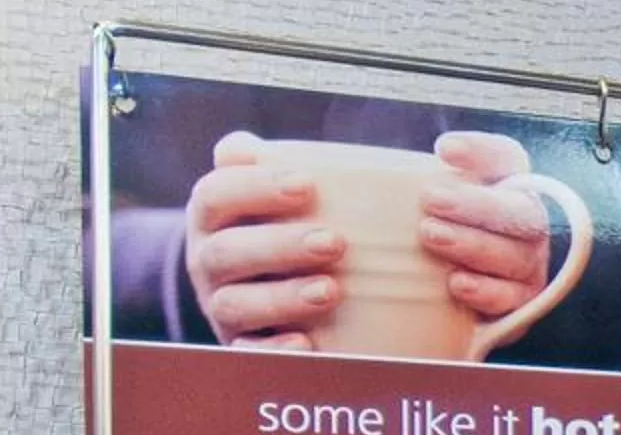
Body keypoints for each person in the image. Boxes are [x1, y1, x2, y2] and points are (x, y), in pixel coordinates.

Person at [181, 129, 553, 351]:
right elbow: (123, 213)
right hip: (279, 417)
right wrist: (219, 248)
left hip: (480, 423)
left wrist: (530, 233)